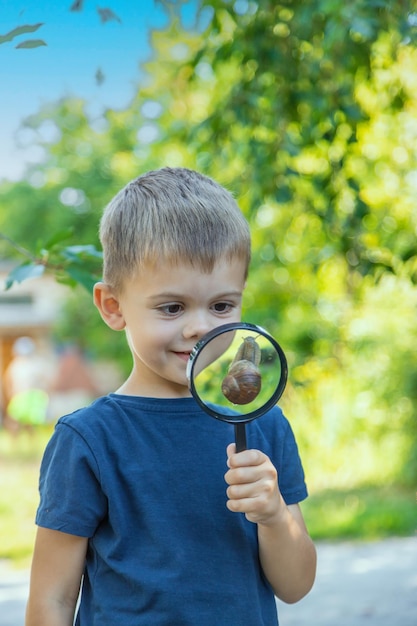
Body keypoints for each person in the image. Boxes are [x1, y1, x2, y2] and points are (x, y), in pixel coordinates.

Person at [25, 167, 316, 626]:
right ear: (113, 307)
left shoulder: (263, 425)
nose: (199, 326)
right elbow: (51, 601)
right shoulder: (88, 439)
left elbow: (296, 586)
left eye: (221, 306)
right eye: (172, 307)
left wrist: (275, 515)